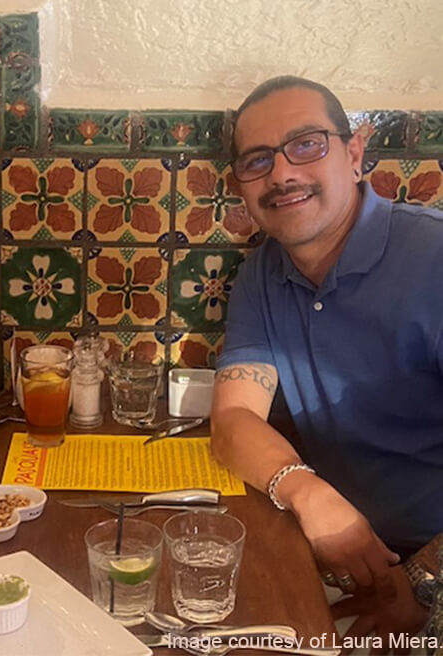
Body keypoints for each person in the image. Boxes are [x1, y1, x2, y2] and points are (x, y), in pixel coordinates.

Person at [211, 76, 443, 640]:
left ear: (356, 152)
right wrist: (308, 494)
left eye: (307, 144)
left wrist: (419, 584)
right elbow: (234, 421)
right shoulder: (263, 275)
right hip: (328, 552)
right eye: (257, 160)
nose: (282, 173)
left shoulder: (433, 258)